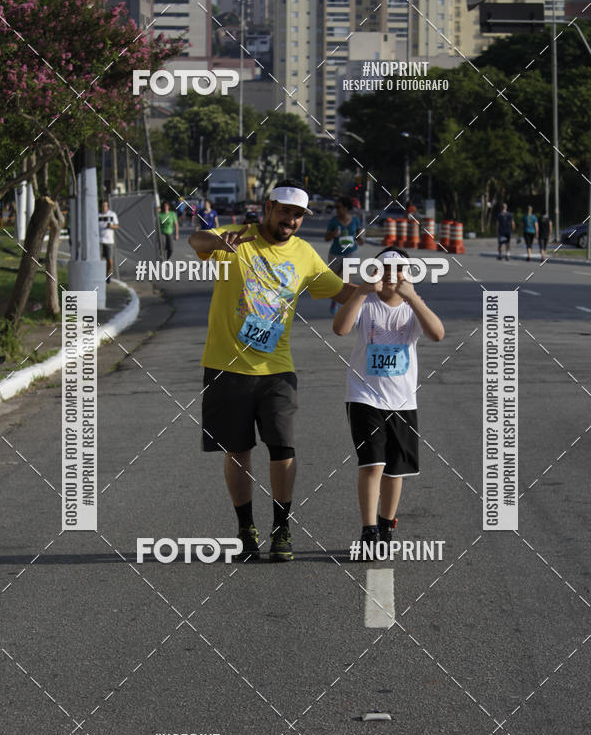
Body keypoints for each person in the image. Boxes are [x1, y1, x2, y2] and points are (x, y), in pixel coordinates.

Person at [188, 179, 356, 563]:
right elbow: (195, 242)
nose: (291, 220)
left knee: (283, 448)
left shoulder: (305, 254)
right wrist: (219, 242)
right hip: (226, 366)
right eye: (285, 211)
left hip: (277, 369)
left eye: (298, 215)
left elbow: (339, 290)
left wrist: (383, 291)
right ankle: (246, 529)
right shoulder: (238, 239)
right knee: (238, 450)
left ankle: (282, 527)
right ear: (268, 207)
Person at [333, 247, 445, 557]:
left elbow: (437, 334)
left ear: (408, 275)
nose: (391, 275)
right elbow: (340, 328)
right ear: (374, 271)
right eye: (384, 269)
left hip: (402, 400)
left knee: (395, 471)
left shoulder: (412, 307)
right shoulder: (366, 302)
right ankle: (369, 532)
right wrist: (361, 291)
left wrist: (414, 298)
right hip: (364, 395)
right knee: (373, 465)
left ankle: (386, 525)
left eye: (398, 270)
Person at [325, 196, 364, 314]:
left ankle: (349, 306)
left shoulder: (355, 220)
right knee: (337, 280)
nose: (336, 209)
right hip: (336, 253)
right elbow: (326, 238)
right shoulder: (333, 221)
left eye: (339, 207)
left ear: (346, 208)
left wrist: (360, 238)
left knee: (345, 278)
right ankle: (335, 300)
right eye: (335, 207)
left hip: (351, 252)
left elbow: (359, 236)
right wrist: (333, 234)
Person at [98, 200, 119, 283]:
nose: (104, 208)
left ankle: (108, 273)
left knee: (109, 260)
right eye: (103, 206)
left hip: (109, 240)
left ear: (108, 207)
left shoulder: (112, 214)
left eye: (106, 206)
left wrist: (111, 226)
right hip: (99, 240)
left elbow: (117, 226)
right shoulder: (97, 215)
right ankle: (100, 275)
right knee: (99, 259)